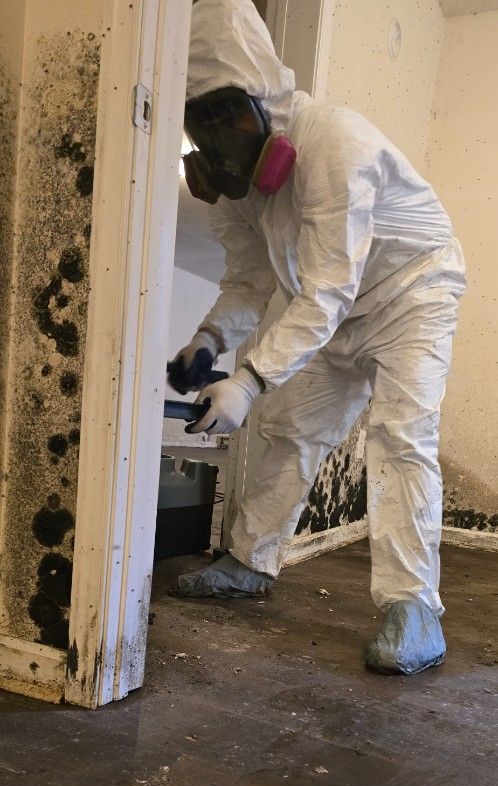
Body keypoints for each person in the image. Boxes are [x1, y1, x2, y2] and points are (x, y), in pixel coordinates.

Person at [167, 0, 466, 676]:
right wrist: (210, 340)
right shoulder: (242, 186)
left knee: (401, 434)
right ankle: (249, 561)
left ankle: (414, 610)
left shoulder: (334, 143)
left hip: (412, 292)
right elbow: (249, 280)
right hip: (338, 308)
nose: (220, 139)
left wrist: (247, 379)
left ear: (264, 95)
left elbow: (325, 288)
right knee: (293, 427)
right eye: (203, 121)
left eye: (229, 113)